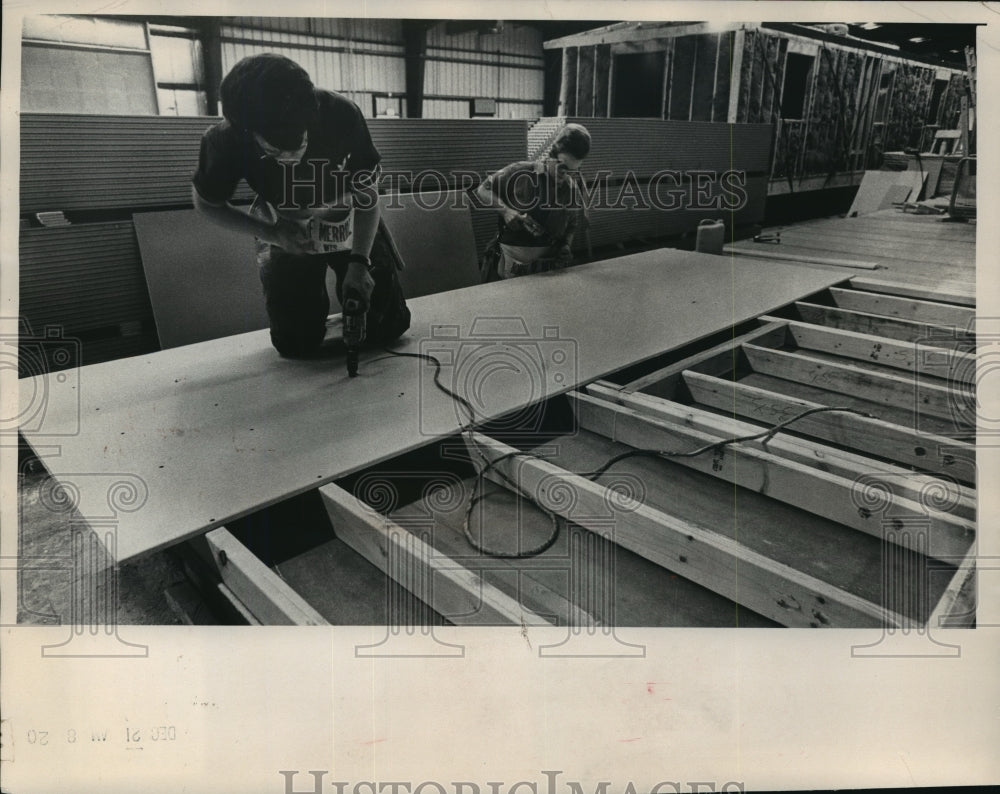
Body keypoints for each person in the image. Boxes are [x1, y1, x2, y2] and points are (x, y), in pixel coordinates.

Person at [191, 53, 410, 358]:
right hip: (286, 224)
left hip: (349, 213)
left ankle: (362, 314)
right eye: (275, 151)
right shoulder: (224, 140)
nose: (292, 158)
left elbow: (367, 194)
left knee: (388, 327)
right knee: (294, 344)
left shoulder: (340, 113)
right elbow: (207, 204)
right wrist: (271, 233)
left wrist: (360, 262)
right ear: (247, 132)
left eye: (300, 143)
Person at [475, 123, 591, 280]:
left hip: (547, 272)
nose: (565, 174)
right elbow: (483, 189)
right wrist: (506, 211)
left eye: (571, 170)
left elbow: (572, 224)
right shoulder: (520, 171)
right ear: (552, 154)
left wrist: (565, 246)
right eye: (562, 166)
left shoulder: (571, 189)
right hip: (508, 267)